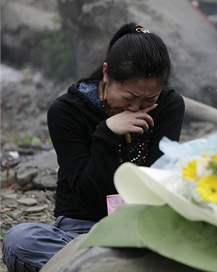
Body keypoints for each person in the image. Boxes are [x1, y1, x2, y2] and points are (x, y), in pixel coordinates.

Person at [2, 23, 184, 272]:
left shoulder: (169, 105)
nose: (137, 108)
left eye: (148, 100)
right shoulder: (67, 111)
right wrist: (106, 134)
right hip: (82, 230)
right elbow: (86, 192)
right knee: (20, 240)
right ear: (107, 74)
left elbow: (160, 177)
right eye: (129, 98)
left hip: (143, 227)